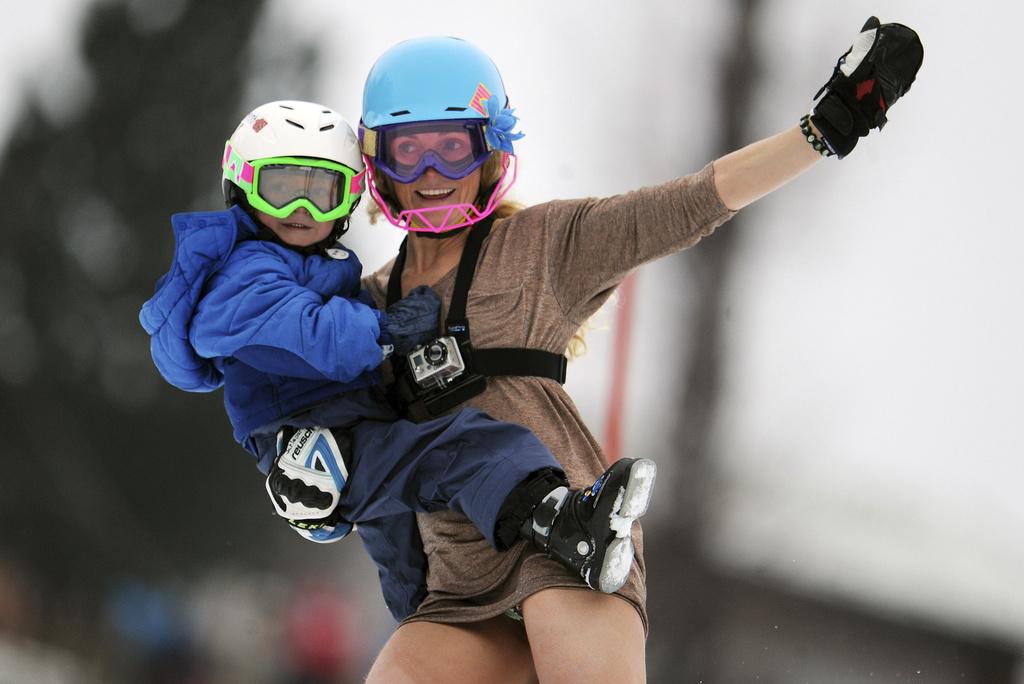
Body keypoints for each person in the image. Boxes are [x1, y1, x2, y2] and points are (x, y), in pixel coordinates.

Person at [355, 18, 922, 683]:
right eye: (407, 150)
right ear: (376, 166)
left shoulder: (542, 247)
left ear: (490, 155)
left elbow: (689, 202)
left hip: (568, 540)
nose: (429, 174)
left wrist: (822, 130)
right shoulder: (359, 308)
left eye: (451, 149)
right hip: (458, 580)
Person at [138, 99, 658, 621]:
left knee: (407, 554)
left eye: (321, 193)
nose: (302, 211)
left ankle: (434, 620)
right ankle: (564, 521)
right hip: (315, 430)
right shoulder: (242, 272)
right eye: (280, 189)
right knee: (457, 445)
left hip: (342, 425)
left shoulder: (303, 262)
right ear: (242, 186)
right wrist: (386, 330)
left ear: (346, 199)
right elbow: (310, 333)